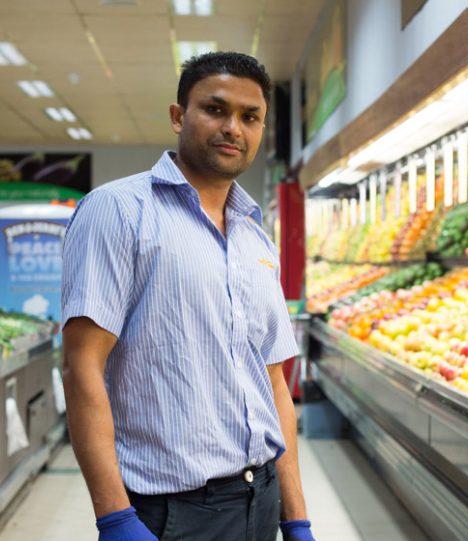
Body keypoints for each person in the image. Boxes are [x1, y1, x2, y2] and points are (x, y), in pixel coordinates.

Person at [61, 51, 315, 541]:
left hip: (259, 500)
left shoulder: (254, 237)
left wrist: (295, 516)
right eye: (215, 110)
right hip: (170, 513)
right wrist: (114, 516)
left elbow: (274, 382)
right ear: (179, 116)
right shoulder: (118, 211)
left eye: (250, 117)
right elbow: (81, 365)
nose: (233, 128)